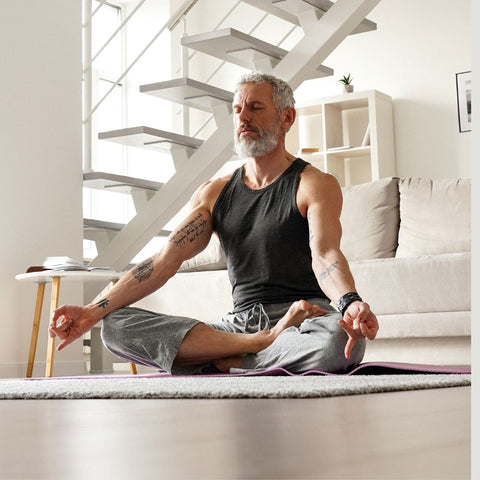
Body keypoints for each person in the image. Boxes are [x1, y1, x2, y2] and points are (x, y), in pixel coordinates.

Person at [50, 72, 378, 375]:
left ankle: (228, 360)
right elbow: (164, 261)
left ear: (286, 117)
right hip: (238, 328)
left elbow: (324, 253)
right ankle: (254, 349)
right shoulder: (214, 192)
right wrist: (92, 311)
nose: (242, 118)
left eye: (255, 107)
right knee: (116, 327)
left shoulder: (313, 183)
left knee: (341, 342)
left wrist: (350, 302)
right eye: (237, 110)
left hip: (305, 317)